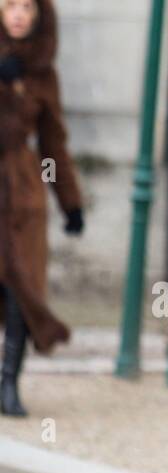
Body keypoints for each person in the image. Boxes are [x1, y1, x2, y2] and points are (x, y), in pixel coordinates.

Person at [0, 0, 83, 417]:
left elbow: (53, 144)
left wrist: (70, 202)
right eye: (10, 4)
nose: (17, 14)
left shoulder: (44, 74)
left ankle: (8, 383)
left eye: (26, 7)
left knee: (23, 289)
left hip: (23, 194)